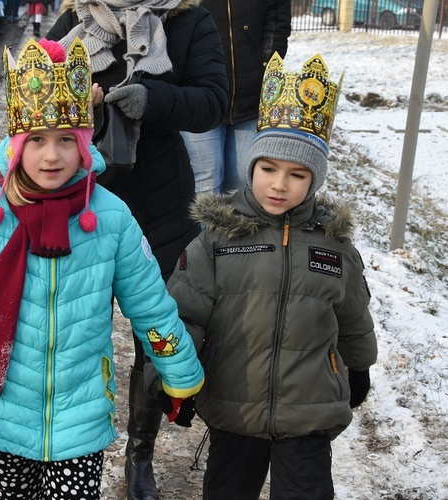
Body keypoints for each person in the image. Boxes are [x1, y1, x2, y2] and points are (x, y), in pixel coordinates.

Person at [0, 38, 205, 499]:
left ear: (84, 144)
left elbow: (150, 303)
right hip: (5, 408)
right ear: (16, 145)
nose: (52, 156)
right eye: (38, 141)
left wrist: (179, 371)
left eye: (66, 139)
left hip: (80, 412)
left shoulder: (109, 217)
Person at [165, 53, 378, 499]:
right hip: (233, 406)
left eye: (297, 174)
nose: (279, 185)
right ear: (252, 165)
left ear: (314, 180)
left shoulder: (334, 245)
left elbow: (354, 315)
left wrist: (359, 368)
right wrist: (171, 382)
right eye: (268, 169)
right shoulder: (219, 238)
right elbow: (183, 316)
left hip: (309, 412)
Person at [46, 1, 229, 498]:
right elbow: (36, 95)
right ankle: (70, 446)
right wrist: (73, 105)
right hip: (84, 205)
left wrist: (152, 99)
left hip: (161, 206)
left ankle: (139, 454)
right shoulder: (73, 23)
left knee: (157, 331)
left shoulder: (189, 19)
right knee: (77, 328)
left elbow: (213, 100)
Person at [182, 0, 291, 195]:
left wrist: (264, 65)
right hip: (200, 96)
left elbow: (277, 24)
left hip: (251, 96)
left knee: (243, 180)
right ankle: (205, 227)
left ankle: (235, 226)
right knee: (206, 181)